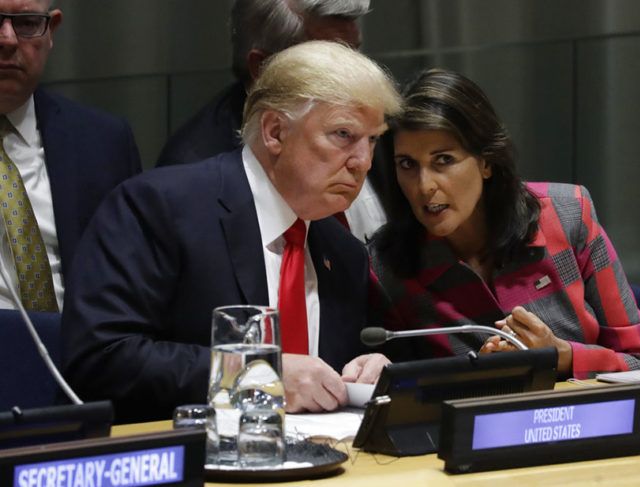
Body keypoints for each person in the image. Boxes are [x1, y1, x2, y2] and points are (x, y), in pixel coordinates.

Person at [62, 41, 402, 423]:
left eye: (372, 140)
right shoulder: (160, 207)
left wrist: (366, 370)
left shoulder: (343, 252)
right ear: (275, 131)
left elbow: (316, 380)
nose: (363, 162)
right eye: (343, 135)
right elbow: (101, 357)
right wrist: (256, 376)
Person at [368, 69, 640, 379]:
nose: (424, 186)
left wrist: (559, 355)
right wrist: (479, 376)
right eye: (407, 164)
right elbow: (400, 389)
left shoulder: (568, 213)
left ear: (486, 162)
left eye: (444, 160)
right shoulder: (387, 264)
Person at [157, 0, 387, 242]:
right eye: (332, 63)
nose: (356, 76)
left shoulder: (373, 117)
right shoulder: (194, 173)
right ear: (263, 67)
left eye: (356, 54)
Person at [0, 0, 141, 311]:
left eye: (25, 23)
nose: (7, 39)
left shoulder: (104, 142)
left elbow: (136, 287)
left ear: (51, 30)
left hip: (81, 351)